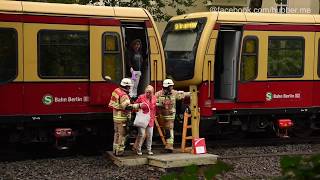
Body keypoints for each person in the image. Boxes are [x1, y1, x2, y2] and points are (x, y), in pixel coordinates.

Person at [155, 79, 190, 153]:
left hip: (170, 115)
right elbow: (153, 102)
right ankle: (168, 144)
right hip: (162, 115)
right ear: (166, 87)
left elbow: (183, 94)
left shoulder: (174, 93)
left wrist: (192, 93)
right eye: (171, 86)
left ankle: (170, 146)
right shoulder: (158, 94)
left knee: (169, 129)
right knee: (166, 130)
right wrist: (159, 104)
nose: (172, 88)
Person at [108, 78, 140, 156]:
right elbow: (126, 107)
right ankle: (120, 151)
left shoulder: (116, 91)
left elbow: (114, 104)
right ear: (126, 86)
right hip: (122, 118)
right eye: (129, 86)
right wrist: (137, 106)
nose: (130, 88)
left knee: (116, 133)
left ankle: (115, 150)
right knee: (122, 135)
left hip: (115, 117)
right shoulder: (124, 95)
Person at [132, 85, 157, 156]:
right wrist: (140, 106)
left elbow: (155, 107)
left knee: (150, 135)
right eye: (147, 92)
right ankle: (138, 149)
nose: (148, 94)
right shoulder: (141, 97)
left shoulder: (155, 98)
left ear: (153, 92)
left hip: (150, 119)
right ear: (145, 91)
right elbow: (135, 105)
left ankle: (149, 149)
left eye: (150, 92)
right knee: (142, 134)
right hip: (142, 119)